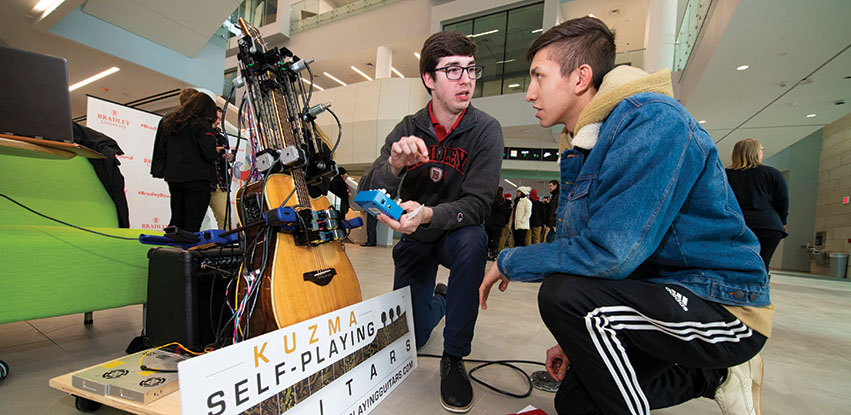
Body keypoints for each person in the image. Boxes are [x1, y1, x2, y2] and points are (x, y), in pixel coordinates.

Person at [479, 17, 772, 415]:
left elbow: (611, 253)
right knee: (576, 402)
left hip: (720, 305)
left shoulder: (653, 121)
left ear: (581, 77)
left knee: (561, 294)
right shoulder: (585, 142)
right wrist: (578, 337)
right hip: (658, 297)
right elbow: (595, 262)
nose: (529, 93)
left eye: (538, 77)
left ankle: (725, 361)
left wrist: (509, 261)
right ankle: (716, 376)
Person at [358, 31, 503, 413]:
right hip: (417, 240)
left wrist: (427, 214)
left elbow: (479, 204)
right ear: (429, 80)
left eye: (471, 69)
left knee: (474, 240)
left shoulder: (486, 130)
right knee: (415, 336)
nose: (467, 79)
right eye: (453, 70)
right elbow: (367, 193)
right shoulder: (408, 128)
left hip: (455, 235)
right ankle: (438, 300)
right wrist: (393, 166)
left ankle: (454, 357)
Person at [726, 139, 789, 272]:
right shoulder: (773, 174)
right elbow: (782, 201)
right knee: (762, 264)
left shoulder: (725, 175)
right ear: (757, 152)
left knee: (736, 264)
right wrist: (783, 221)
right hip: (768, 225)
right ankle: (759, 291)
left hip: (738, 224)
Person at [160, 93, 220, 232]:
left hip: (175, 177)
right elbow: (208, 154)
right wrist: (217, 152)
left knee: (177, 219)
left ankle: (172, 249)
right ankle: (187, 252)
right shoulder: (203, 126)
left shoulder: (172, 124)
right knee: (192, 224)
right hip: (197, 179)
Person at [209, 106, 235, 229]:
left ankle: (224, 247)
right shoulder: (198, 133)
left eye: (220, 118)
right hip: (202, 181)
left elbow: (227, 158)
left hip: (220, 183)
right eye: (216, 118)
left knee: (225, 219)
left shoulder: (221, 137)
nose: (218, 121)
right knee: (194, 220)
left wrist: (230, 157)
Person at [484, 187, 511, 260]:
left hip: (488, 222)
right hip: (497, 223)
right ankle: (494, 254)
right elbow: (503, 210)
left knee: (488, 239)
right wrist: (508, 202)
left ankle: (485, 254)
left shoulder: (490, 199)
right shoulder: (500, 200)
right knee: (495, 239)